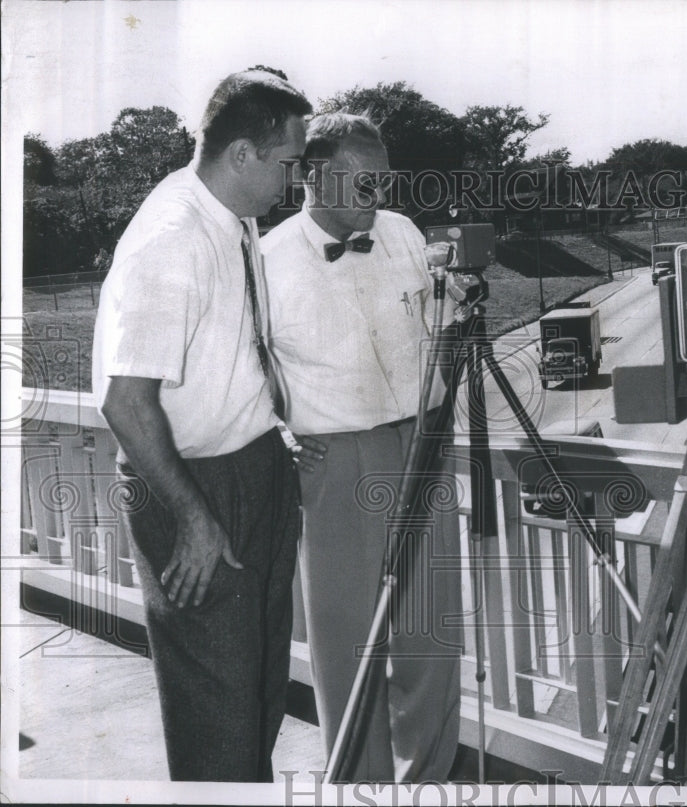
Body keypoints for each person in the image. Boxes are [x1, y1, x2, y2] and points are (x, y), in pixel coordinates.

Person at [92, 69, 319, 782]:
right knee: (217, 718)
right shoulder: (172, 238)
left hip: (253, 466)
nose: (293, 181)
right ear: (243, 154)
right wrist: (193, 517)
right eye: (288, 163)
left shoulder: (234, 216)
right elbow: (125, 401)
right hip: (195, 488)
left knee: (256, 696)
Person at [261, 112, 462, 782]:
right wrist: (276, 435)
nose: (379, 194)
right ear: (315, 177)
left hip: (423, 445)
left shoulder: (402, 232)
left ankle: (427, 784)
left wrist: (455, 308)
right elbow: (235, 367)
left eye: (385, 179)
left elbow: (437, 324)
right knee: (349, 650)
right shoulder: (265, 262)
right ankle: (359, 791)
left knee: (430, 645)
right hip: (334, 462)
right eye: (365, 182)